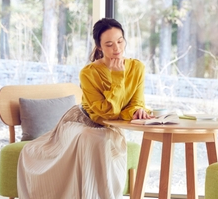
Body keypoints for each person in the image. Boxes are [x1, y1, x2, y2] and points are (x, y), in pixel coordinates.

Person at [17, 18, 152, 199]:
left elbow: (135, 102)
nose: (117, 48)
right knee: (92, 138)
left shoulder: (137, 67)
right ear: (99, 47)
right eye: (109, 44)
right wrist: (117, 78)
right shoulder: (88, 73)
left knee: (100, 139)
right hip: (81, 121)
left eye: (120, 41)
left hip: (110, 126)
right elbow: (104, 113)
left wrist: (136, 111)